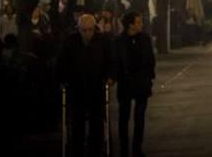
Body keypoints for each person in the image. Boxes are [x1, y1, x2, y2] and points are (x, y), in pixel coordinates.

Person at [56, 13, 111, 157]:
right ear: (78, 29)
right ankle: (77, 151)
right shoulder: (70, 42)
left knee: (97, 123)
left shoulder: (102, 41)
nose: (88, 33)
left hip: (96, 87)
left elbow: (109, 61)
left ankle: (96, 151)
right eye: (84, 30)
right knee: (77, 124)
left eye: (90, 30)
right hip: (77, 88)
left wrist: (110, 77)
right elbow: (62, 63)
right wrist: (62, 80)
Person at [114, 10, 155, 157]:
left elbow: (150, 59)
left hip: (141, 83)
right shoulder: (119, 41)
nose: (141, 25)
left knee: (140, 117)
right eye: (138, 22)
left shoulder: (145, 39)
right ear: (130, 24)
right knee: (123, 117)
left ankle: (137, 148)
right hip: (125, 83)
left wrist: (150, 76)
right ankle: (124, 148)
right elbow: (116, 61)